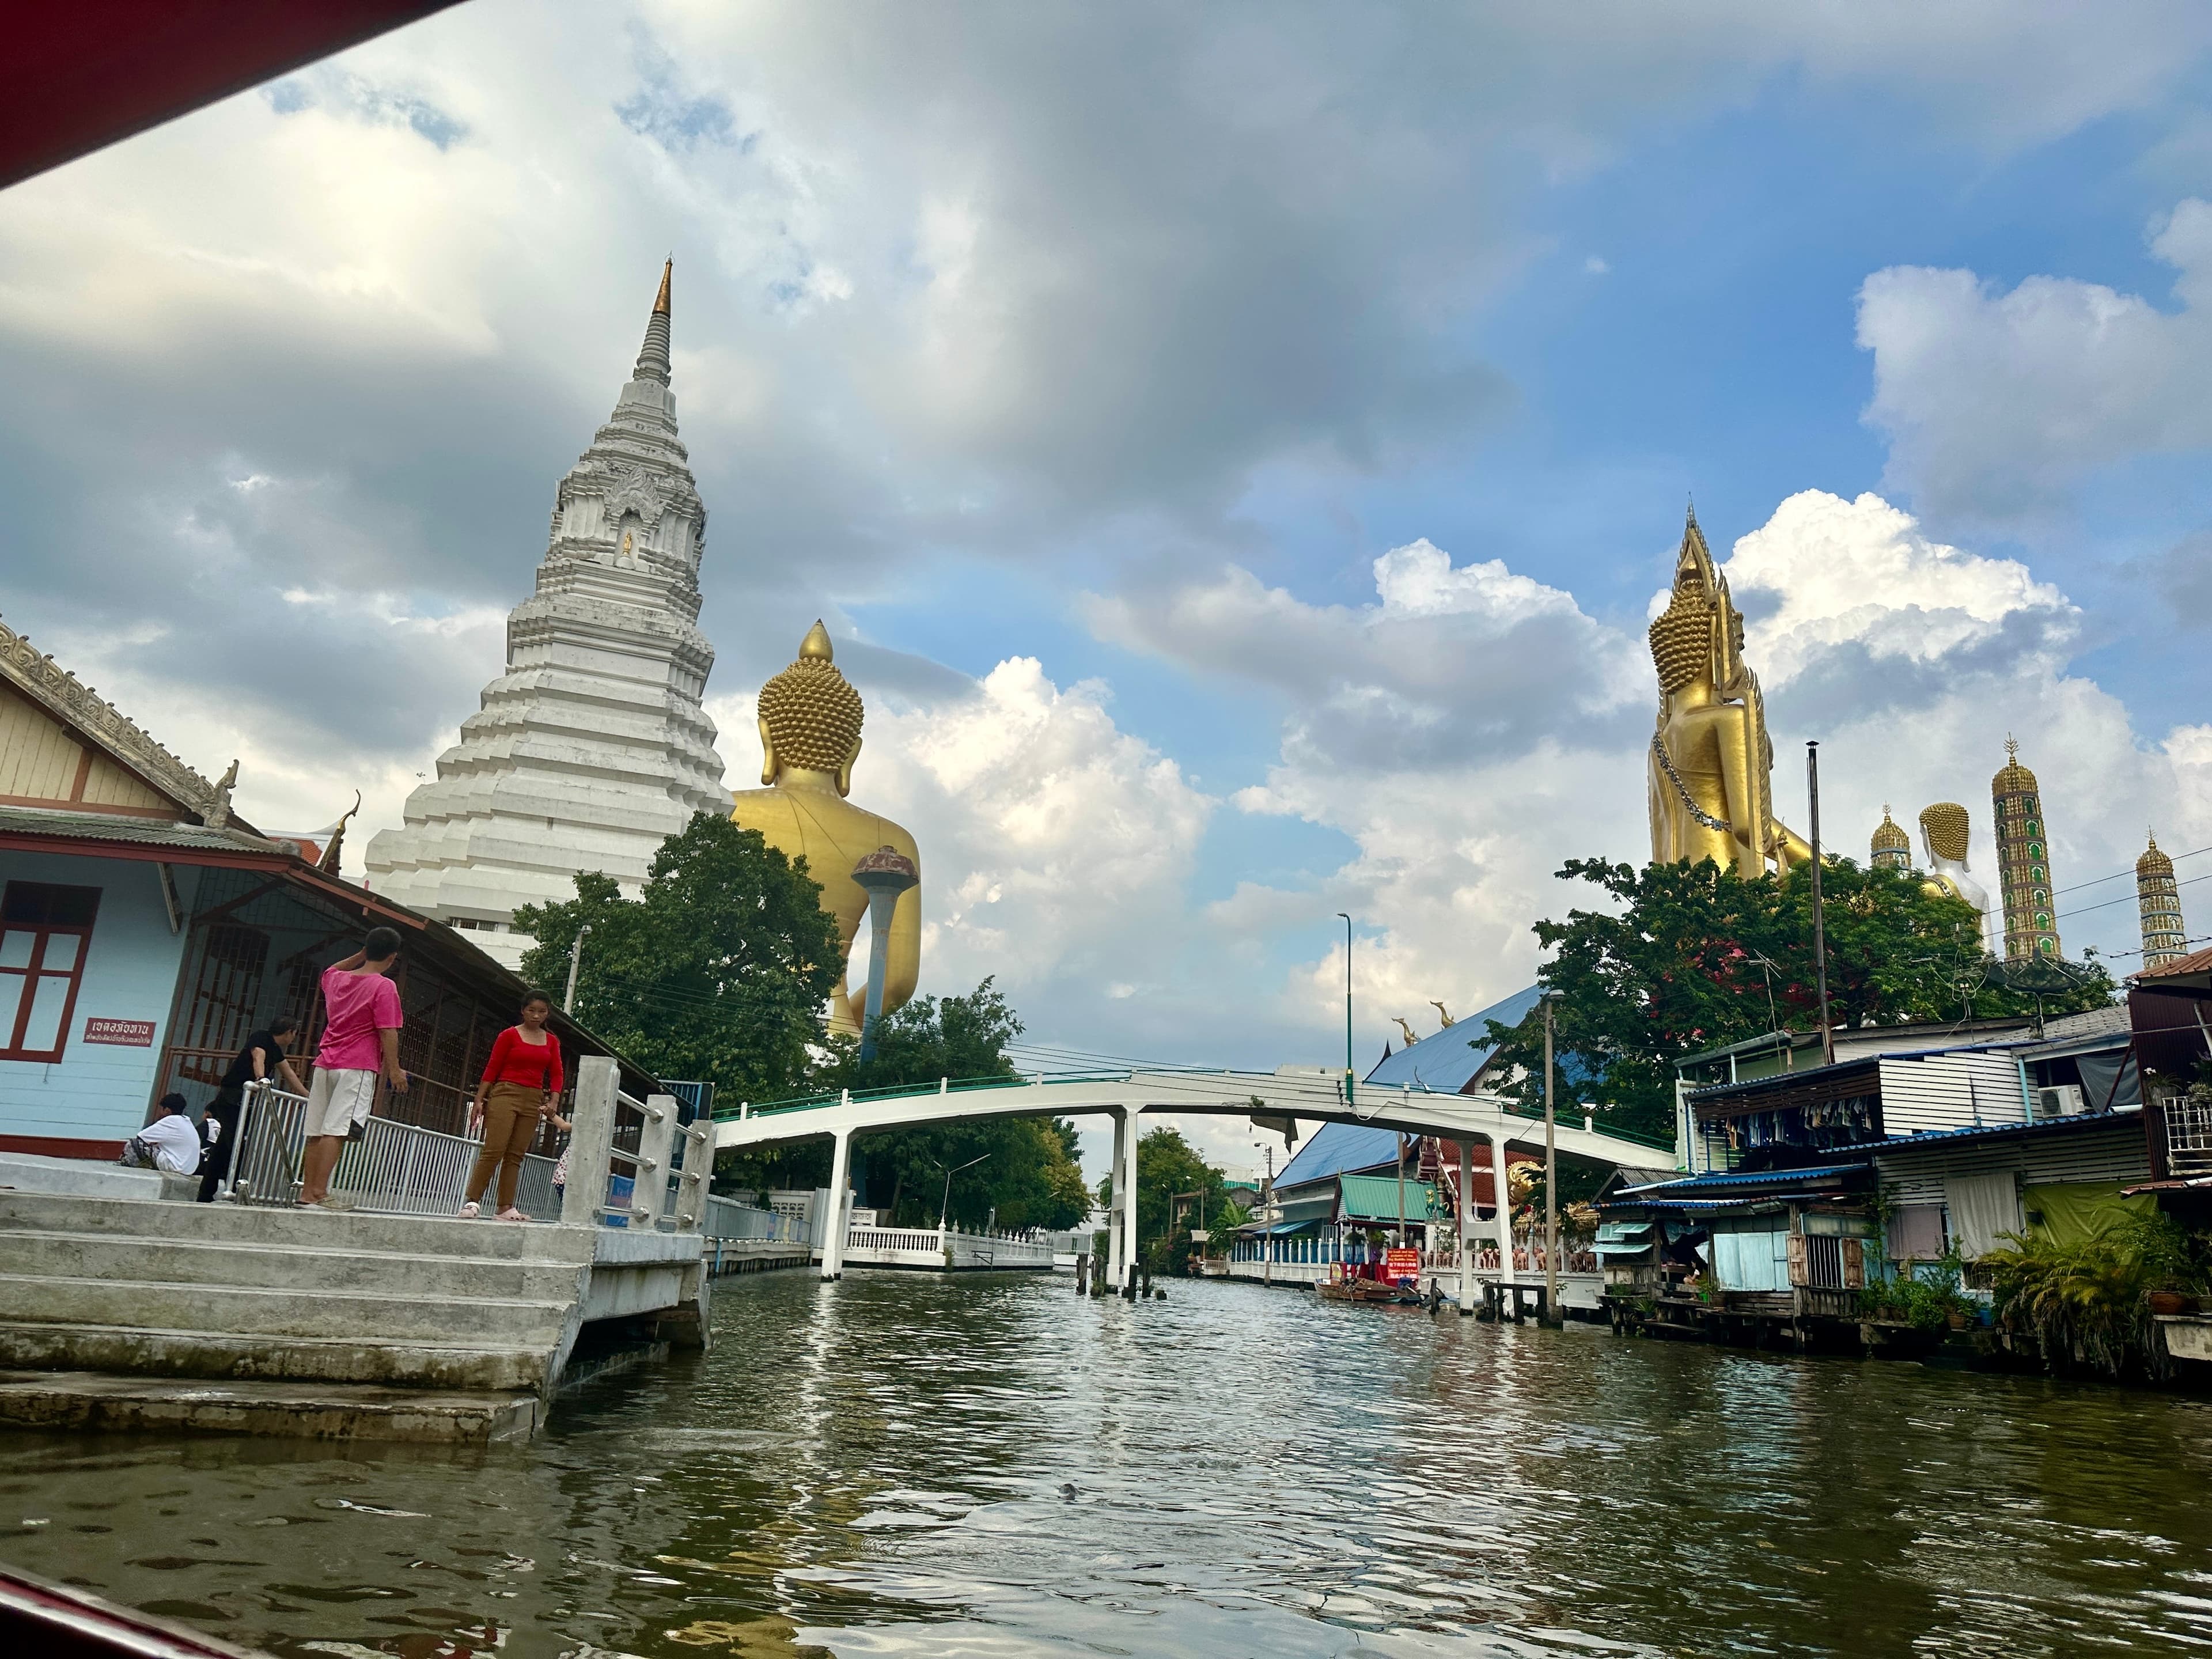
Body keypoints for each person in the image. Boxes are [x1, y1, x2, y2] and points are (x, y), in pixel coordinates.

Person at [300, 927, 407, 1209]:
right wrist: (394, 1069)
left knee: (316, 1130)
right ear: (393, 957)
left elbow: (332, 969)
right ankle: (320, 1193)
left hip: (325, 1063)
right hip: (357, 1065)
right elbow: (388, 1031)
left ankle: (306, 1193)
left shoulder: (336, 980)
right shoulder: (384, 986)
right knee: (337, 1130)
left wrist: (360, 955)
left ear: (366, 950)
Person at [460, 991, 563, 1221]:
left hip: (534, 1098)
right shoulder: (509, 1036)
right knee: (494, 1149)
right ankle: (472, 1201)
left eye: (542, 1011)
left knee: (516, 1154)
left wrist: (553, 1100)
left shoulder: (552, 1041)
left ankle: (505, 1207)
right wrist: (479, 1099)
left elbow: (556, 1073)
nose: (536, 1016)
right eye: (532, 1010)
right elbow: (492, 1067)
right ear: (523, 1011)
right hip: (506, 1092)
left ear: (548, 1014)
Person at [198, 1017, 305, 1203]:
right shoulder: (261, 1037)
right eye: (294, 1033)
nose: (294, 1038)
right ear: (289, 1032)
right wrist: (261, 1079)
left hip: (244, 1101)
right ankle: (238, 1190)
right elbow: (258, 1056)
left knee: (223, 1148)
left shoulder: (276, 1050)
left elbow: (289, 1074)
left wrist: (308, 1097)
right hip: (231, 1097)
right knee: (237, 1145)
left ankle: (206, 1194)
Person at [122, 1094, 202, 1175]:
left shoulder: (171, 1120)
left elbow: (141, 1137)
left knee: (133, 1144)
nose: (160, 1112)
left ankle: (125, 1169)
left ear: (167, 1110)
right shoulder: (187, 1123)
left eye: (161, 1109)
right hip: (188, 1169)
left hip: (176, 1166)